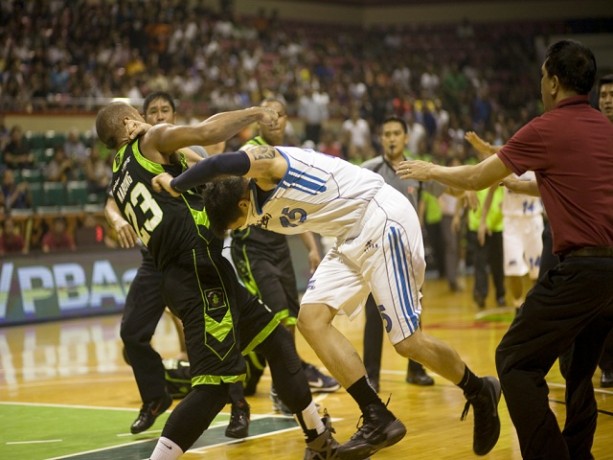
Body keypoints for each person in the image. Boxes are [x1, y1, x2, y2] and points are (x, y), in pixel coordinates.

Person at [153, 147, 502, 458]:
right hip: (349, 236)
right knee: (311, 320)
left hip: (381, 218)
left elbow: (220, 161)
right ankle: (377, 414)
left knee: (408, 343)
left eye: (237, 224)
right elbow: (211, 171)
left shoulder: (268, 166)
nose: (240, 228)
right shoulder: (235, 194)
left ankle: (479, 388)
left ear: (244, 205)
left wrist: (178, 182)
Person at [397, 39, 613, 459]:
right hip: (610, 274)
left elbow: (477, 178)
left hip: (581, 270)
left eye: (541, 76)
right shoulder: (605, 128)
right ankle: (579, 451)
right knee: (577, 369)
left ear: (552, 81)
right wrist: (515, 181)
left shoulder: (545, 126)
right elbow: (566, 180)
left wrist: (430, 170)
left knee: (514, 359)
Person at [97, 101, 339, 460]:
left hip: (201, 269)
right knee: (213, 389)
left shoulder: (119, 175)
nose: (151, 120)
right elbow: (208, 134)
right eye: (142, 114)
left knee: (278, 343)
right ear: (130, 121)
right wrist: (255, 112)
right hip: (196, 273)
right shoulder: (152, 142)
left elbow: (201, 167)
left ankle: (318, 440)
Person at [105, 91, 247, 439]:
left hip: (193, 246)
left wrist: (174, 146)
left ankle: (237, 404)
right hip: (157, 258)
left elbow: (205, 160)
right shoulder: (129, 158)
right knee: (132, 333)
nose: (153, 115)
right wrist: (116, 219)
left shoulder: (169, 141)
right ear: (132, 119)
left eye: (161, 110)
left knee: (216, 331)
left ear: (171, 113)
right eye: (148, 110)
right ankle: (156, 398)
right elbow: (111, 201)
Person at [230, 98, 340, 410]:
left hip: (279, 247)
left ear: (286, 119)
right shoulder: (249, 153)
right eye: (267, 115)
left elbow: (293, 208)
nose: (273, 120)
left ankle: (268, 377)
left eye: (278, 115)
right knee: (276, 315)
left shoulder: (288, 157)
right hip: (251, 248)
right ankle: (283, 387)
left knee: (290, 318)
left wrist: (312, 247)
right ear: (258, 122)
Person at [360, 116, 435, 391]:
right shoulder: (369, 170)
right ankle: (371, 376)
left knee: (413, 312)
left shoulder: (417, 169)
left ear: (406, 138)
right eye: (386, 133)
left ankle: (415, 370)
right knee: (373, 316)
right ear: (381, 139)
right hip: (375, 254)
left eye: (396, 133)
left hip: (408, 256)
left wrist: (464, 195)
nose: (391, 138)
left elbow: (441, 187)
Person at [466, 132, 544, 310]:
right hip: (511, 223)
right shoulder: (506, 165)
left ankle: (535, 306)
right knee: (513, 270)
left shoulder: (539, 163)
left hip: (533, 221)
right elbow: (490, 191)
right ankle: (518, 305)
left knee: (536, 272)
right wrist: (483, 220)